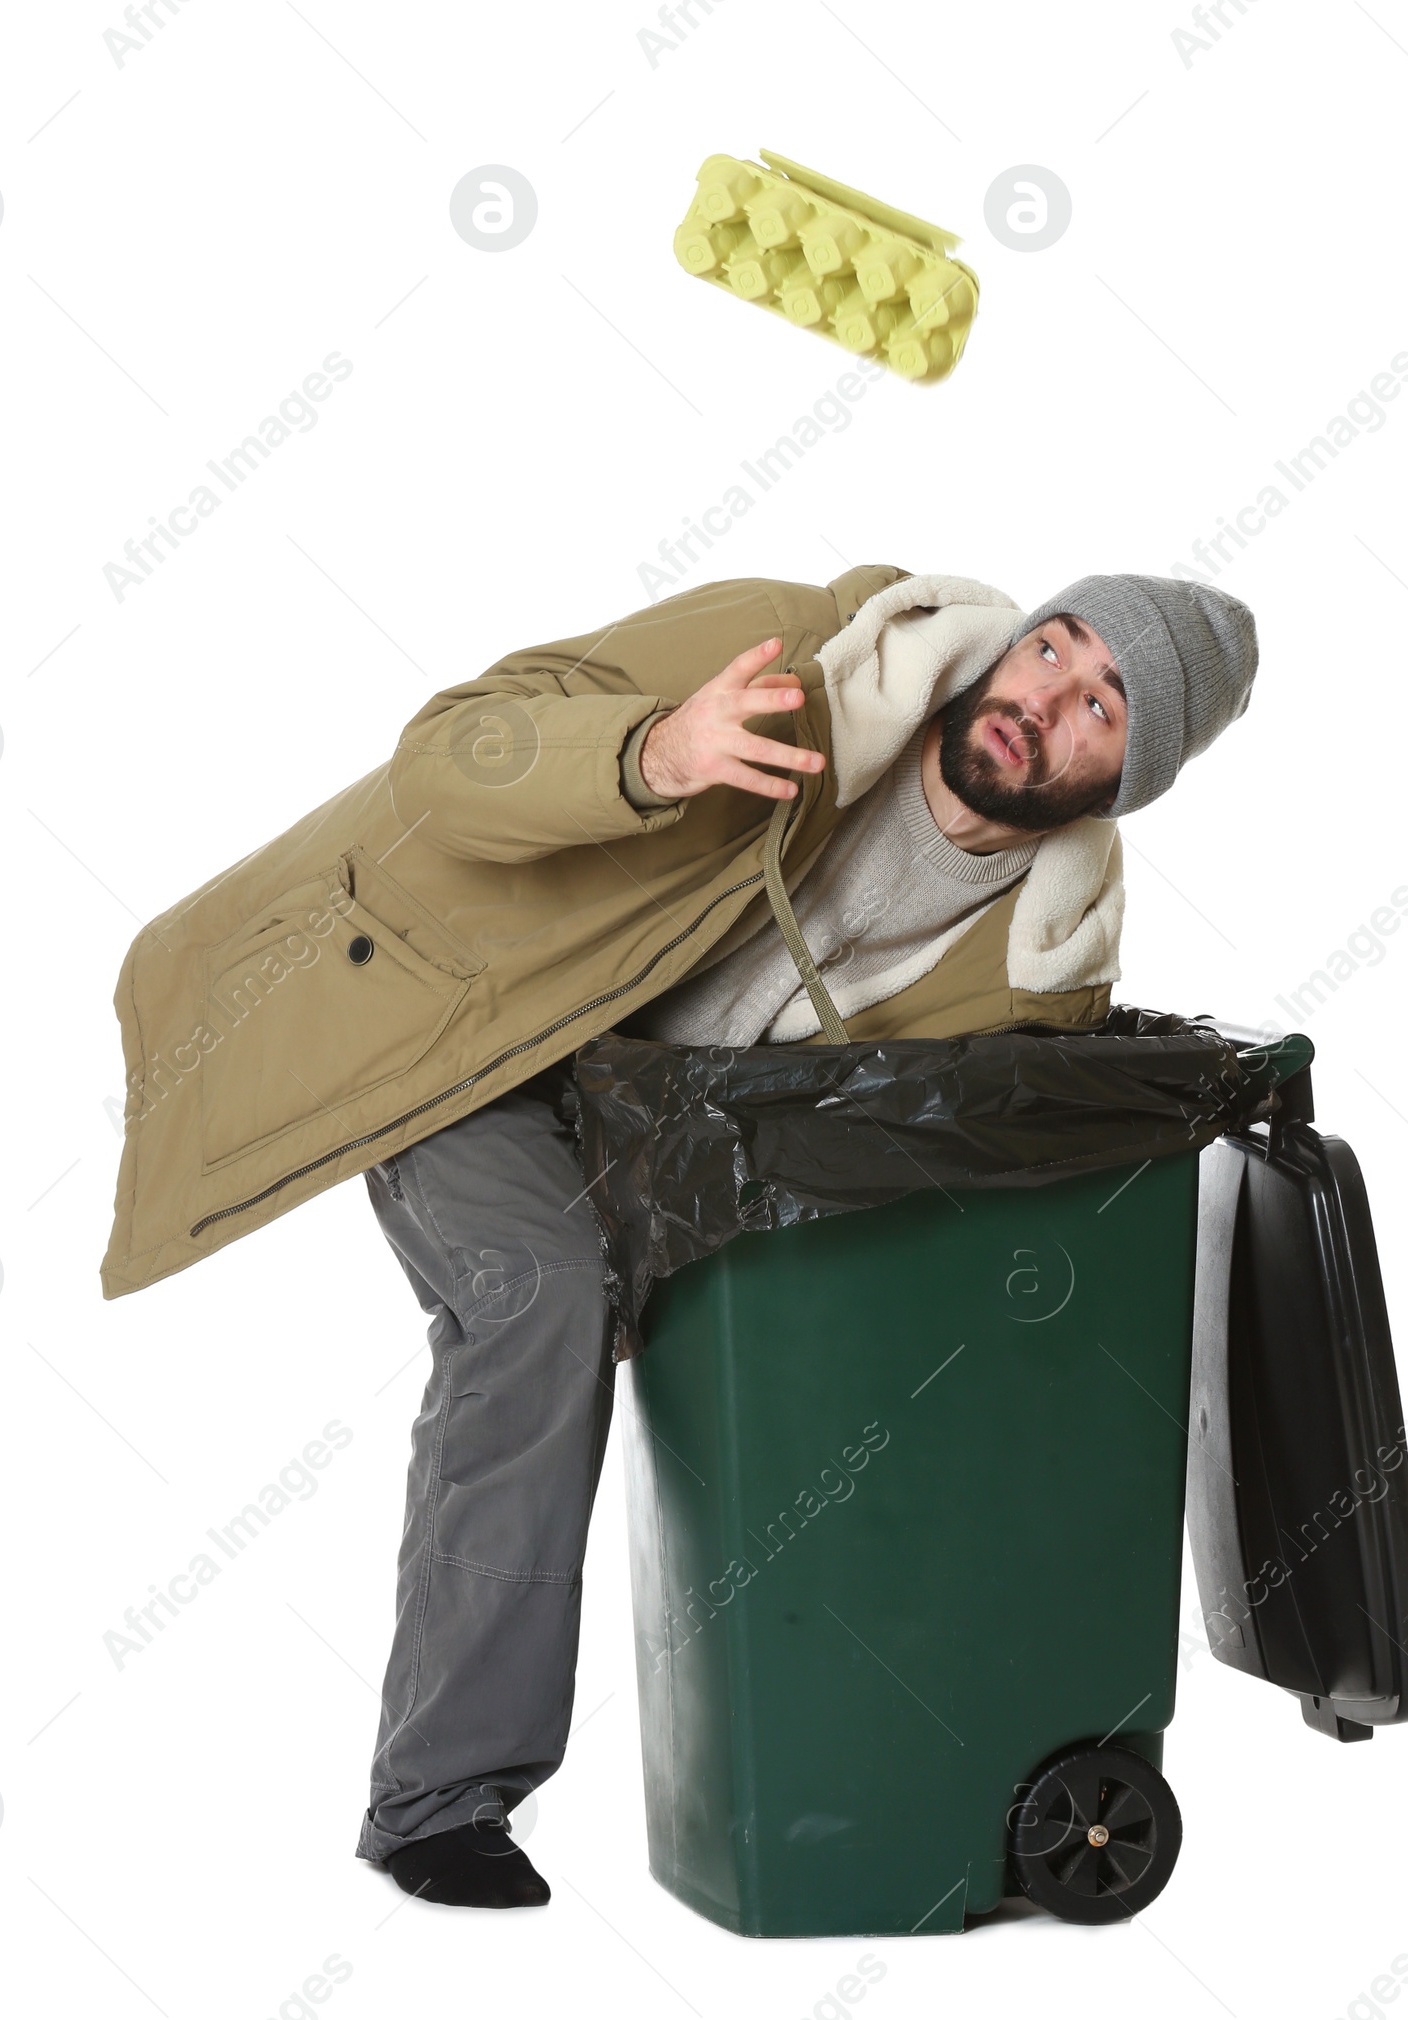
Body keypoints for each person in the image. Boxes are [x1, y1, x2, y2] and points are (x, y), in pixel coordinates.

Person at [99, 563, 1256, 1909]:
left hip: (659, 1150)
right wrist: (650, 754)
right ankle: (439, 1803)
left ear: (1125, 783)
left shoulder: (1041, 966)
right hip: (470, 1036)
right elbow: (447, 756)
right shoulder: (801, 660)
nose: (1047, 697)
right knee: (537, 1301)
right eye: (1056, 648)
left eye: (1105, 706)